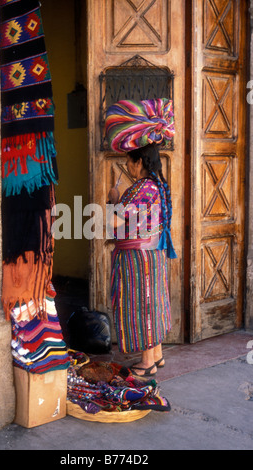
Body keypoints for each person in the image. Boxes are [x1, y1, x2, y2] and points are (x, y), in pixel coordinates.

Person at [105, 98, 176, 379]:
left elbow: (115, 222)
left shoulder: (141, 188)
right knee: (153, 300)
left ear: (138, 162)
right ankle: (156, 355)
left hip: (138, 259)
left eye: (129, 161)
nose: (127, 166)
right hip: (151, 254)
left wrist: (111, 201)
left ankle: (146, 362)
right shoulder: (156, 185)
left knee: (142, 303)